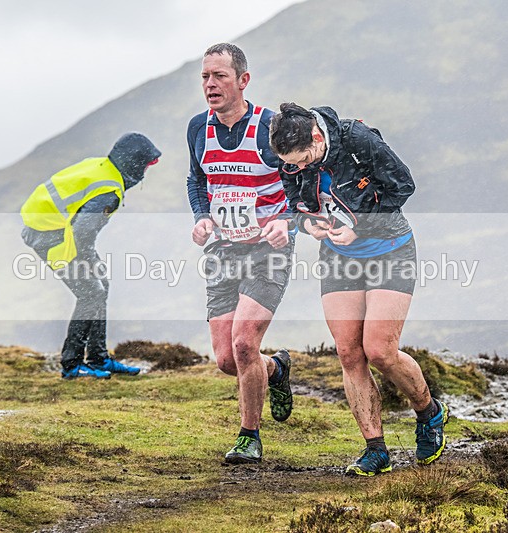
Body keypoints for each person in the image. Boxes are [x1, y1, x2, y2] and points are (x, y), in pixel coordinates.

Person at [269, 103, 449, 476]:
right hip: (338, 255)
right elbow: (293, 204)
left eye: (303, 160)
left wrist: (361, 228)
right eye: (291, 164)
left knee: (380, 350)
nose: (298, 168)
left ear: (317, 138)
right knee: (349, 352)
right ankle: (375, 449)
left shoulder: (357, 139)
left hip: (389, 248)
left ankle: (429, 413)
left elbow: (403, 186)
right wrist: (306, 225)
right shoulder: (290, 158)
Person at [186, 43, 295, 464]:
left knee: (245, 343)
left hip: (269, 249)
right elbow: (197, 179)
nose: (211, 85)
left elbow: (301, 183)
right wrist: (201, 217)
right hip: (223, 249)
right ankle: (276, 369)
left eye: (220, 77)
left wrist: (285, 221)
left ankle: (249, 437)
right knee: (228, 359)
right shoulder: (198, 127)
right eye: (205, 78)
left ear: (243, 81)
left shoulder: (271, 126)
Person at [21, 132, 161, 379]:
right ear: (134, 165)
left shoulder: (102, 167)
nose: (144, 174)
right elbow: (83, 230)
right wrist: (85, 260)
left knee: (100, 285)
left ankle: (98, 359)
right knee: (91, 293)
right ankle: (71, 365)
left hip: (52, 226)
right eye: (144, 167)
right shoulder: (109, 190)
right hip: (51, 235)